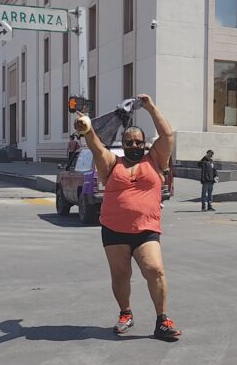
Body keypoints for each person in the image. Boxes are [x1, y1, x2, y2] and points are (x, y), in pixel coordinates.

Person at [73, 94, 181, 341]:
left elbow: (167, 136)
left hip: (146, 229)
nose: (134, 146)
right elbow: (97, 147)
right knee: (121, 275)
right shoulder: (112, 164)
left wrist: (151, 107)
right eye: (129, 142)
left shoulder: (155, 159)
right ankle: (126, 313)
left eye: (138, 142)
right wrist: (86, 128)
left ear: (144, 143)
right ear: (123, 144)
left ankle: (162, 321)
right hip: (114, 229)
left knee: (155, 269)